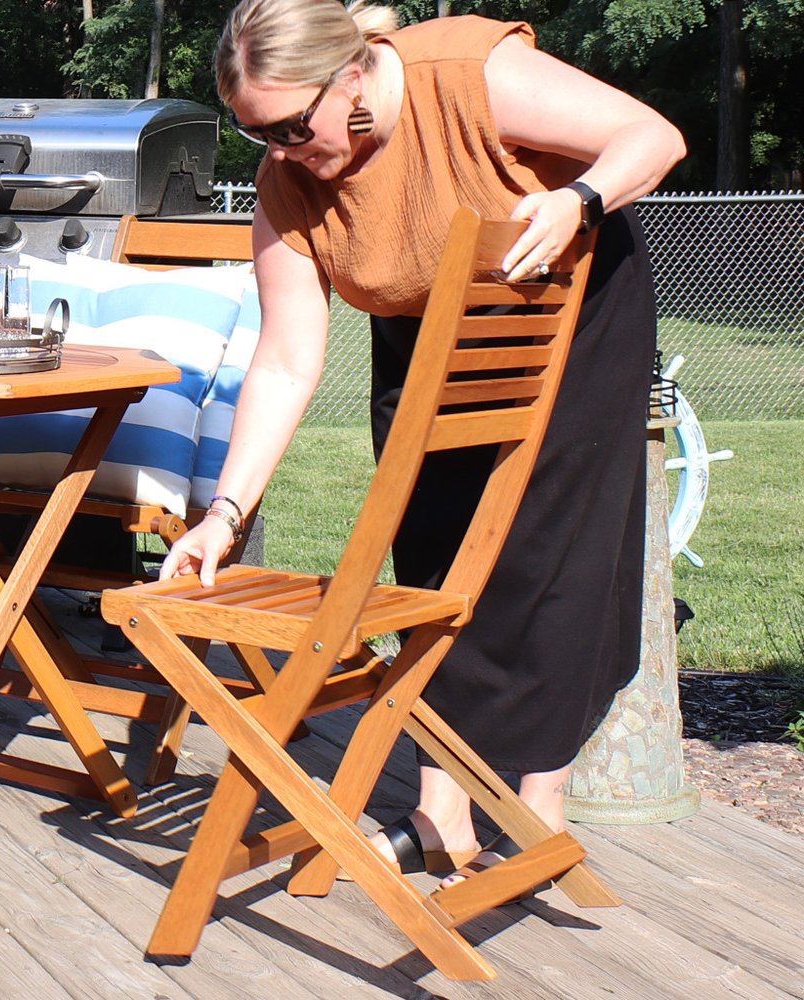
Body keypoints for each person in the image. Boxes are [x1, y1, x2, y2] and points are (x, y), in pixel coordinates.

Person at [159, 0, 686, 887]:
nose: (283, 151)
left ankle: (537, 804)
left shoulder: (465, 75)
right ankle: (445, 812)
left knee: (552, 559)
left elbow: (653, 136)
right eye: (260, 135)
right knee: (437, 563)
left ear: (353, 75)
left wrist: (576, 199)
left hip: (573, 317)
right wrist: (224, 512)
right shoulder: (291, 183)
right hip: (428, 331)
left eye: (293, 124)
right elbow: (287, 359)